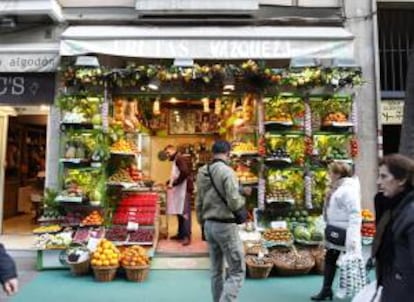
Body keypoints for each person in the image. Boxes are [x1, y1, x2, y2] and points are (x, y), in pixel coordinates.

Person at [196, 140, 251, 302]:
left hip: (209, 224)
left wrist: (202, 223)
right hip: (225, 225)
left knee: (216, 271)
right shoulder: (227, 172)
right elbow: (234, 201)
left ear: (213, 153)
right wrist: (243, 198)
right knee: (237, 270)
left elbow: (198, 201)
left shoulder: (202, 172)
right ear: (227, 153)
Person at [311, 161, 362, 301]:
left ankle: (358, 291)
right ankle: (326, 290)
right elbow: (330, 211)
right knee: (330, 259)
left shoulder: (348, 189)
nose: (329, 175)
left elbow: (355, 213)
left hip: (345, 232)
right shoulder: (337, 188)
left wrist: (352, 238)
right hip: (335, 230)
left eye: (331, 172)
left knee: (351, 262)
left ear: (338, 174)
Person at [371, 153, 414, 302]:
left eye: (384, 177)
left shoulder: (409, 212)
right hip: (393, 286)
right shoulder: (391, 207)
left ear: (402, 179)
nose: (378, 182)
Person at [164, 145, 193, 246]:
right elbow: (177, 174)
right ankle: (181, 234)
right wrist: (169, 182)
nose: (167, 155)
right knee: (179, 212)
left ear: (173, 150)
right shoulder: (177, 159)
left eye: (168, 153)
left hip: (184, 190)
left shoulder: (179, 159)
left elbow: (184, 172)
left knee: (184, 214)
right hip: (180, 190)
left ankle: (186, 237)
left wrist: (175, 183)